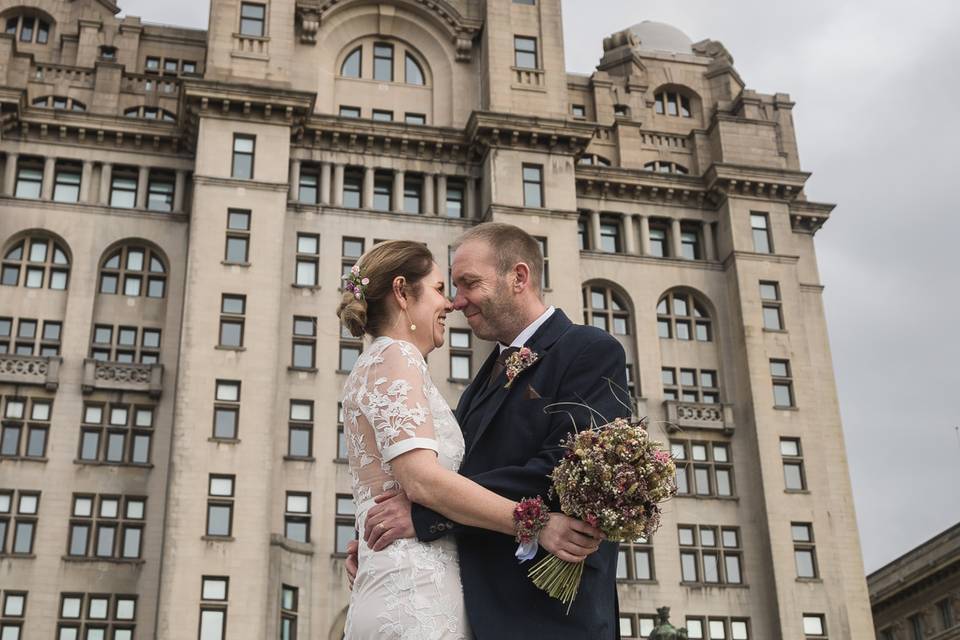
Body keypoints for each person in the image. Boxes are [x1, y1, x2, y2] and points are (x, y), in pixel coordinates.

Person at [347, 225, 630, 639]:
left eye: (469, 284)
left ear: (519, 277)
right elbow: (442, 473)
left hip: (550, 616)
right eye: (451, 287)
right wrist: (375, 534)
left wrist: (424, 515)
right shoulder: (479, 382)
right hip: (475, 611)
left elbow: (565, 470)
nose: (457, 302)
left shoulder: (588, 351)